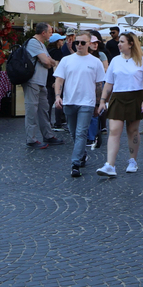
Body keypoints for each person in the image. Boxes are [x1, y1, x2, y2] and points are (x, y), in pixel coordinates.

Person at [96, 33, 143, 177]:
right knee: (114, 130)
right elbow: (109, 82)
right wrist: (103, 101)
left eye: (122, 42)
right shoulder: (115, 60)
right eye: (119, 42)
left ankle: (132, 160)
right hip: (118, 96)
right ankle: (110, 164)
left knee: (133, 131)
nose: (118, 44)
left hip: (136, 96)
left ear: (131, 43)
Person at [53, 32, 106, 178]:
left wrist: (98, 103)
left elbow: (99, 85)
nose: (79, 45)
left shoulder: (96, 62)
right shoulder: (66, 60)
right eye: (77, 43)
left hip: (87, 103)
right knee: (73, 132)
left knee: (81, 132)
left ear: (90, 44)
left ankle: (75, 164)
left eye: (83, 43)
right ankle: (82, 154)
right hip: (69, 101)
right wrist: (58, 96)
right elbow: (59, 79)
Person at [24, 23, 60, 148]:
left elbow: (51, 62)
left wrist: (47, 61)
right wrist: (47, 61)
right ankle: (31, 139)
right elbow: (47, 61)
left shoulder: (42, 45)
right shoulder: (33, 43)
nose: (51, 34)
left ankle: (48, 135)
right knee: (32, 111)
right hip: (32, 81)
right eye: (50, 32)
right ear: (43, 33)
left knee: (44, 110)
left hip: (41, 81)